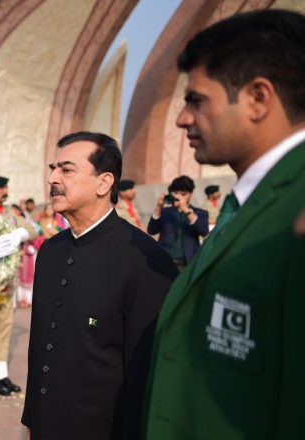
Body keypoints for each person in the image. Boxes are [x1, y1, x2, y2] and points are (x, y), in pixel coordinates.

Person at [145, 10, 305, 439]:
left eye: (196, 100)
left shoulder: (296, 206)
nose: (182, 119)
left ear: (257, 98)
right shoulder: (253, 201)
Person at [22, 131, 178, 439]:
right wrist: (30, 420)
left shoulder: (146, 260)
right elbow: (41, 346)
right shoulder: (51, 252)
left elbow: (150, 375)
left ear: (104, 182)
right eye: (53, 168)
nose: (53, 178)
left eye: (66, 170)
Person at [0, 176, 38, 396]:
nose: (5, 191)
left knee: (5, 326)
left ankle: (1, 372)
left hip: (8, 279)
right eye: (0, 188)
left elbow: (33, 229)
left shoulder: (10, 215)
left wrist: (18, 234)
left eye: (5, 187)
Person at [148, 175, 209, 269]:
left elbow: (204, 231)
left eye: (183, 194)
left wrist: (186, 210)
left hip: (188, 264)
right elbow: (151, 230)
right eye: (176, 193)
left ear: (191, 193)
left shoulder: (200, 213)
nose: (179, 197)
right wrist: (159, 207)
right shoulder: (165, 211)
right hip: (164, 262)